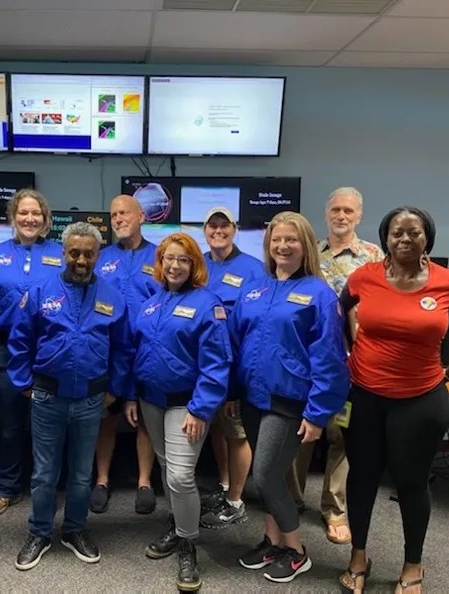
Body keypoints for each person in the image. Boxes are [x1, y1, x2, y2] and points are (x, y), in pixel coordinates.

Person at [338, 207, 449, 594]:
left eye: (414, 233)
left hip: (420, 399)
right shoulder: (364, 277)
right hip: (365, 395)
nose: (405, 239)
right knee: (362, 477)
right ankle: (357, 557)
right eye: (397, 233)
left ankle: (413, 564)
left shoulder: (448, 283)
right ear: (385, 237)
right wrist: (350, 352)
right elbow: (342, 310)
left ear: (426, 238)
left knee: (411, 482)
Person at [231, 211, 349, 584]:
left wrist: (317, 414)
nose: (283, 246)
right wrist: (233, 392)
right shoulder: (255, 289)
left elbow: (330, 358)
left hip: (290, 400)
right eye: (276, 239)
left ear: (306, 246)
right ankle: (271, 539)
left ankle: (295, 550)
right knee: (271, 476)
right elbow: (236, 343)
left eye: (291, 240)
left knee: (265, 476)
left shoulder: (319, 295)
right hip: (252, 397)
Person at [8, 222, 133, 571]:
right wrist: (24, 383)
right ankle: (40, 531)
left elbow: (123, 350)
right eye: (74, 252)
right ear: (64, 253)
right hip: (47, 396)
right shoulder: (40, 291)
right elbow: (20, 340)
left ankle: (75, 529)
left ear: (97, 255)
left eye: (88, 254)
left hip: (92, 400)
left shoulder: (112, 296)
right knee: (45, 473)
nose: (81, 259)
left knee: (81, 473)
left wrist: (114, 391)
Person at [128, 233, 232, 593]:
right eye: (169, 259)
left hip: (186, 405)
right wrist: (131, 396)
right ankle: (177, 524)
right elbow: (136, 353)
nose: (174, 266)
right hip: (151, 401)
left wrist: (201, 409)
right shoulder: (151, 303)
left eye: (183, 260)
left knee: (181, 477)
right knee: (166, 467)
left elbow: (217, 364)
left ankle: (188, 544)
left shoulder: (208, 304)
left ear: (194, 265)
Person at [286, 186, 383, 545]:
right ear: (327, 214)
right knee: (301, 432)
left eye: (348, 211)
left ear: (358, 216)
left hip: (349, 363)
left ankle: (334, 507)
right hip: (307, 362)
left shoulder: (373, 256)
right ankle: (292, 499)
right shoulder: (310, 251)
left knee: (339, 434)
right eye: (336, 210)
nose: (341, 216)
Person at [0, 188, 64, 518]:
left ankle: (47, 487)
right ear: (13, 217)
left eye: (36, 213)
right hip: (6, 350)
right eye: (23, 213)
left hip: (50, 351)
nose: (29, 219)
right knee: (10, 425)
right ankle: (8, 488)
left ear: (45, 220)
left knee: (49, 425)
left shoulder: (62, 254)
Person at [90, 194, 160, 515]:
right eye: (114, 214)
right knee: (107, 416)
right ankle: (102, 479)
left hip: (148, 350)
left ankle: (144, 481)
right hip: (109, 351)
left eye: (125, 213)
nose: (118, 219)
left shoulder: (160, 256)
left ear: (141, 216)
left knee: (145, 418)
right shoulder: (100, 258)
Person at [197, 206, 265, 530]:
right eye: (213, 225)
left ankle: (236, 501)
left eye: (225, 225)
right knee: (217, 425)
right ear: (205, 230)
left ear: (234, 229)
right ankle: (224, 486)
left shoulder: (253, 269)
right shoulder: (199, 264)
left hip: (236, 364)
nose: (218, 230)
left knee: (237, 431)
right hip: (204, 364)